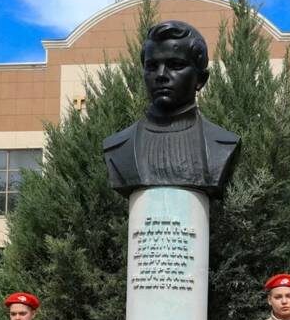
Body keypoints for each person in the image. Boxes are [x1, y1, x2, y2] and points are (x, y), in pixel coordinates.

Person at [103, 19, 240, 198]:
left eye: (176, 65)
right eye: (152, 66)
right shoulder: (117, 147)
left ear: (201, 80)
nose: (161, 75)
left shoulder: (224, 145)